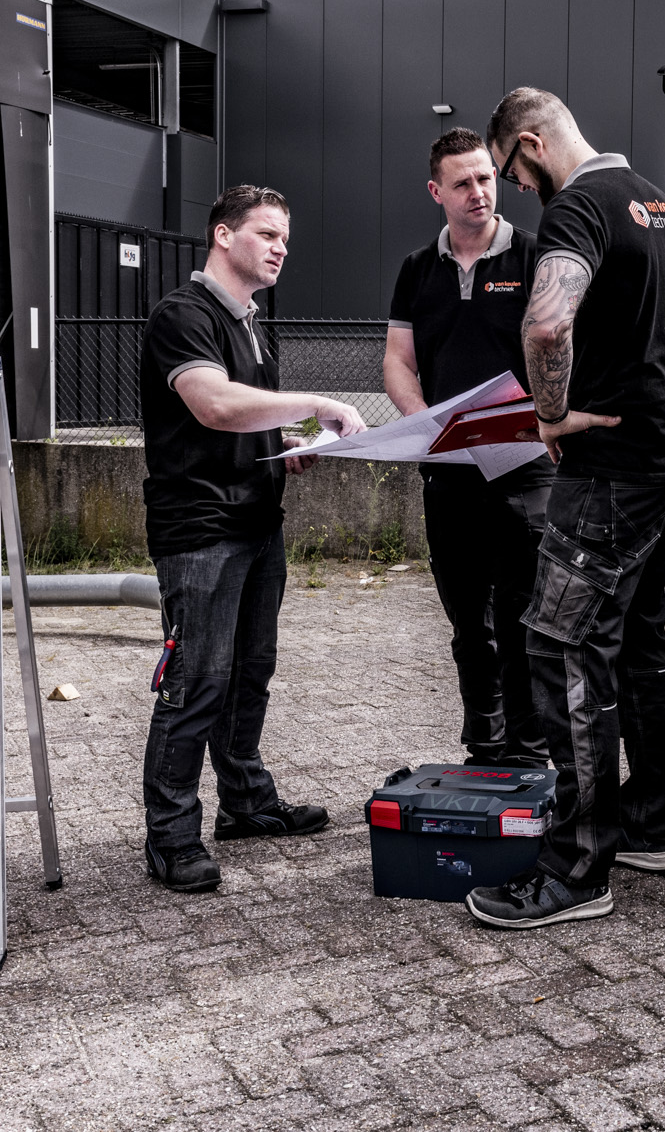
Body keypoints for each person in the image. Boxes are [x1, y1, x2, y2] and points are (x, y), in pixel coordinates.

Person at [465, 88, 665, 929]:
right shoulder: (660, 206)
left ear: (530, 143)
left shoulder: (579, 207)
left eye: (511, 172)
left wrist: (550, 416)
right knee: (639, 640)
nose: (517, 190)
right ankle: (650, 828)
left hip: (610, 474)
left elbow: (547, 326)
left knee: (564, 644)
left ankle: (577, 868)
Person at [138, 184, 366, 893]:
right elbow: (214, 404)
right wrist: (318, 403)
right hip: (201, 531)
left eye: (285, 240)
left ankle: (244, 802)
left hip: (258, 524)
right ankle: (171, 837)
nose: (280, 249)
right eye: (267, 234)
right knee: (196, 683)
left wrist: (285, 446)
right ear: (222, 235)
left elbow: (245, 422)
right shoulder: (184, 315)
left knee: (248, 675)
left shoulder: (253, 325)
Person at [385, 129, 554, 766]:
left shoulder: (534, 256)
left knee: (521, 618)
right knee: (468, 624)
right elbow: (398, 361)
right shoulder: (416, 270)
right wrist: (425, 424)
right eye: (462, 183)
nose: (479, 191)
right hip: (450, 472)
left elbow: (562, 350)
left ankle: (528, 751)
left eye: (486, 177)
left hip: (526, 471)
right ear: (437, 192)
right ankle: (484, 743)